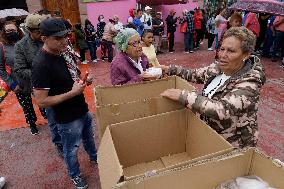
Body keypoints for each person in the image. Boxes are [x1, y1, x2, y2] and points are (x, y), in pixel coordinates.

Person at [160, 27, 266, 148]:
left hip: (232, 144)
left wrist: (183, 96)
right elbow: (194, 74)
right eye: (222, 49)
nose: (223, 55)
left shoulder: (250, 82)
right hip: (211, 134)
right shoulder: (219, 67)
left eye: (231, 51)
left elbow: (222, 110)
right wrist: (170, 69)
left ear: (246, 55)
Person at [32, 18, 97, 189]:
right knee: (71, 149)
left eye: (65, 36)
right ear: (44, 38)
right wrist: (72, 92)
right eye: (58, 38)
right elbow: (41, 101)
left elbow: (71, 79)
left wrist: (83, 81)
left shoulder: (64, 52)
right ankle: (74, 175)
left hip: (81, 108)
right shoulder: (41, 64)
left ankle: (94, 156)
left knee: (89, 138)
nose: (64, 41)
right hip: (66, 117)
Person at [14, 13, 47, 135]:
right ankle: (32, 123)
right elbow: (19, 69)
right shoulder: (21, 46)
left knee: (45, 105)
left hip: (45, 82)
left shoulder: (45, 40)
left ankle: (48, 117)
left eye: (42, 31)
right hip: (28, 82)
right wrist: (38, 73)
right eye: (38, 31)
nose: (41, 34)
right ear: (29, 30)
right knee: (28, 106)